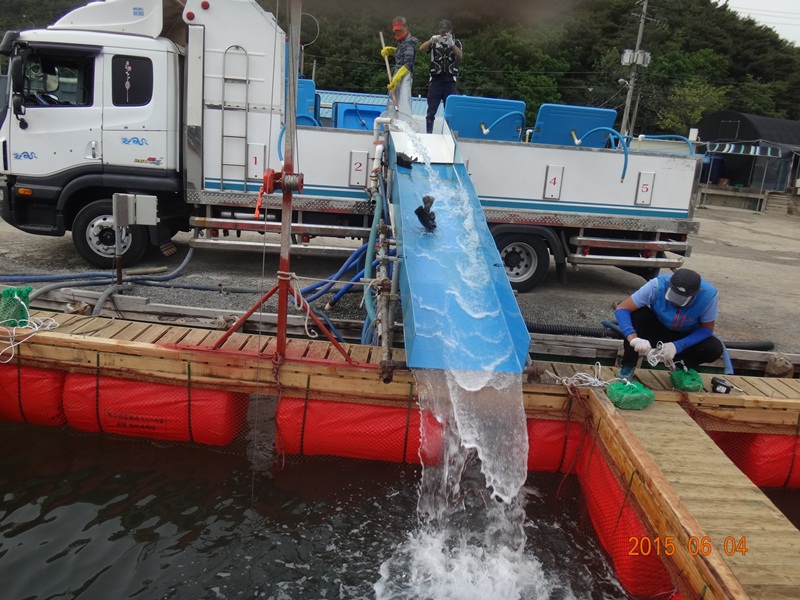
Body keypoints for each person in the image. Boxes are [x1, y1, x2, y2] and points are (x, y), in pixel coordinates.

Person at [614, 268, 724, 380]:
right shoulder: (656, 285)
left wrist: (678, 345)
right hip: (656, 328)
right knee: (637, 313)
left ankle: (680, 365)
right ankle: (627, 366)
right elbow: (622, 308)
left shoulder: (708, 296)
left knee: (714, 348)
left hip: (684, 335)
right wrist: (634, 339)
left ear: (695, 294)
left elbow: (707, 329)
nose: (675, 302)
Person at [419, 19, 462, 134]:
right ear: (439, 31)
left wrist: (452, 44)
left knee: (450, 110)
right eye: (442, 31)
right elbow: (421, 49)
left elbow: (460, 55)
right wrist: (430, 40)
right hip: (435, 81)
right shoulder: (434, 41)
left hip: (450, 81)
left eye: (446, 31)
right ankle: (429, 133)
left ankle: (448, 134)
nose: (444, 34)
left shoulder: (456, 42)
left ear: (451, 30)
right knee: (431, 110)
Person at [380, 17, 418, 118]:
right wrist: (392, 50)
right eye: (395, 31)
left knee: (404, 100)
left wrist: (396, 78)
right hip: (397, 73)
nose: (397, 32)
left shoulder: (409, 42)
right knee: (392, 101)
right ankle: (389, 123)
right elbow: (402, 53)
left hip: (405, 75)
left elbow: (408, 64)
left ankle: (405, 123)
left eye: (399, 30)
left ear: (405, 27)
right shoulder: (402, 42)